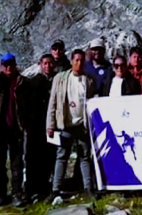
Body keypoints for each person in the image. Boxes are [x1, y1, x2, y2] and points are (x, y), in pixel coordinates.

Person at [46, 49, 97, 201]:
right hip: (65, 124)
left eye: (82, 61)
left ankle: (88, 188)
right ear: (71, 61)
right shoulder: (60, 78)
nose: (79, 63)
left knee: (85, 156)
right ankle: (56, 190)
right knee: (61, 157)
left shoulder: (89, 80)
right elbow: (53, 102)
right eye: (76, 60)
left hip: (82, 125)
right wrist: (50, 124)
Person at [0, 54, 30, 207]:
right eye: (5, 65)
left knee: (17, 162)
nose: (8, 67)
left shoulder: (23, 83)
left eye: (11, 64)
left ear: (15, 65)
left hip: (16, 128)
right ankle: (1, 194)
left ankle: (17, 193)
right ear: (1, 66)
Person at [26, 54, 57, 201]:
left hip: (53, 125)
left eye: (50, 63)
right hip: (36, 126)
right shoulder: (33, 82)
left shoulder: (58, 81)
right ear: (40, 64)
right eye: (45, 63)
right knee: (33, 157)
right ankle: (31, 187)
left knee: (49, 156)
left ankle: (46, 185)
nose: (48, 66)